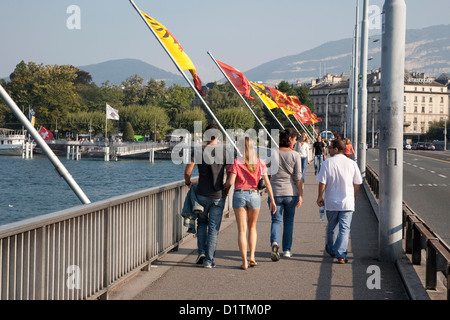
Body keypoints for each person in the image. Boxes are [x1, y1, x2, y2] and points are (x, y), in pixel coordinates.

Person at [224, 136, 276, 270]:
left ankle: (244, 262)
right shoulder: (259, 162)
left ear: (241, 148)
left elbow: (230, 182)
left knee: (242, 230)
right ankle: (252, 257)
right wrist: (272, 200)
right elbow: (268, 183)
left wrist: (223, 191)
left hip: (239, 194)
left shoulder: (236, 162)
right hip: (254, 195)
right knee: (252, 227)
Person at [184, 123, 231, 268]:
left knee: (202, 224)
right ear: (218, 135)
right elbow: (230, 176)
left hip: (201, 194)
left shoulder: (199, 151)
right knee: (214, 228)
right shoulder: (225, 152)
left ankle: (201, 252)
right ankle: (209, 261)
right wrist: (226, 191)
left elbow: (188, 171)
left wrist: (188, 183)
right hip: (217, 195)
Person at [316, 139, 363, 264]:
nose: (329, 150)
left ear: (336, 149)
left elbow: (322, 182)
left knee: (332, 227)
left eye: (330, 148)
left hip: (331, 201)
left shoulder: (327, 163)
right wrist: (355, 194)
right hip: (347, 201)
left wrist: (320, 196)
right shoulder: (351, 163)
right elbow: (357, 182)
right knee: (345, 229)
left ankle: (331, 249)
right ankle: (341, 254)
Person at [269, 128, 303, 261]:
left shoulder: (272, 153)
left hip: (275, 193)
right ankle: (287, 250)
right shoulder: (295, 155)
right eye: (294, 139)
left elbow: (268, 173)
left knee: (276, 221)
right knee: (289, 222)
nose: (295, 142)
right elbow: (298, 177)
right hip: (291, 193)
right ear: (289, 139)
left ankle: (274, 243)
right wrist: (300, 195)